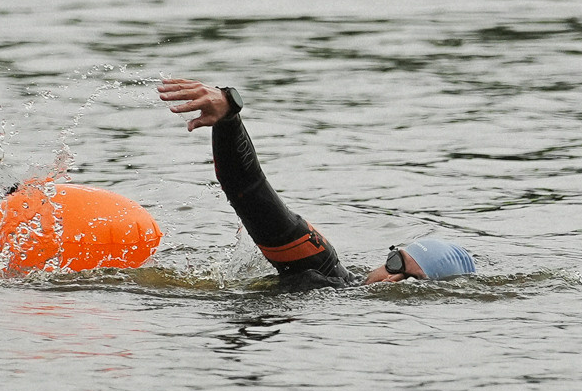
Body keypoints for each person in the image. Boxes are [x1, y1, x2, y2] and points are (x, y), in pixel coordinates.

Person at [158, 77, 476, 289]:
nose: (392, 279)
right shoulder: (322, 271)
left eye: (411, 283)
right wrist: (230, 116)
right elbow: (249, 191)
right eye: (395, 263)